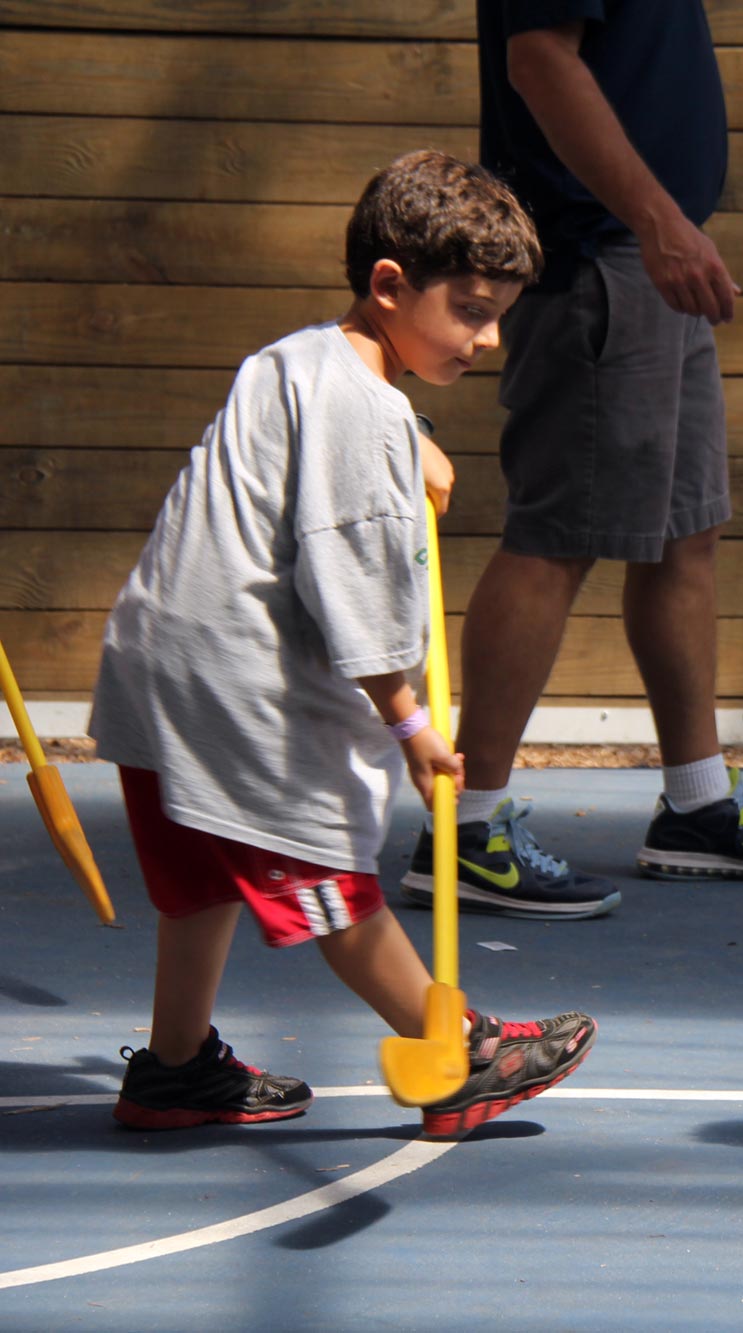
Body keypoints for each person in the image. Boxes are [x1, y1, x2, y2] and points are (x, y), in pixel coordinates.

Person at [90, 150, 598, 1137]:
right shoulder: (367, 414)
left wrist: (413, 440)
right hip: (240, 686)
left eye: (499, 314)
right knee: (328, 878)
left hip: (159, 661)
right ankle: (454, 1055)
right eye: (472, 310)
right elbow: (350, 582)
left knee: (202, 877)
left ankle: (175, 1065)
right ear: (390, 285)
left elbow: (314, 460)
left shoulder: (299, 359)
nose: (489, 338)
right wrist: (410, 723)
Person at [399, 0, 743, 920]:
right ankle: (466, 826)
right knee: (554, 537)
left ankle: (696, 803)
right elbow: (540, 60)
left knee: (686, 532)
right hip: (600, 257)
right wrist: (655, 220)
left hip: (648, 254)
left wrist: (665, 227)